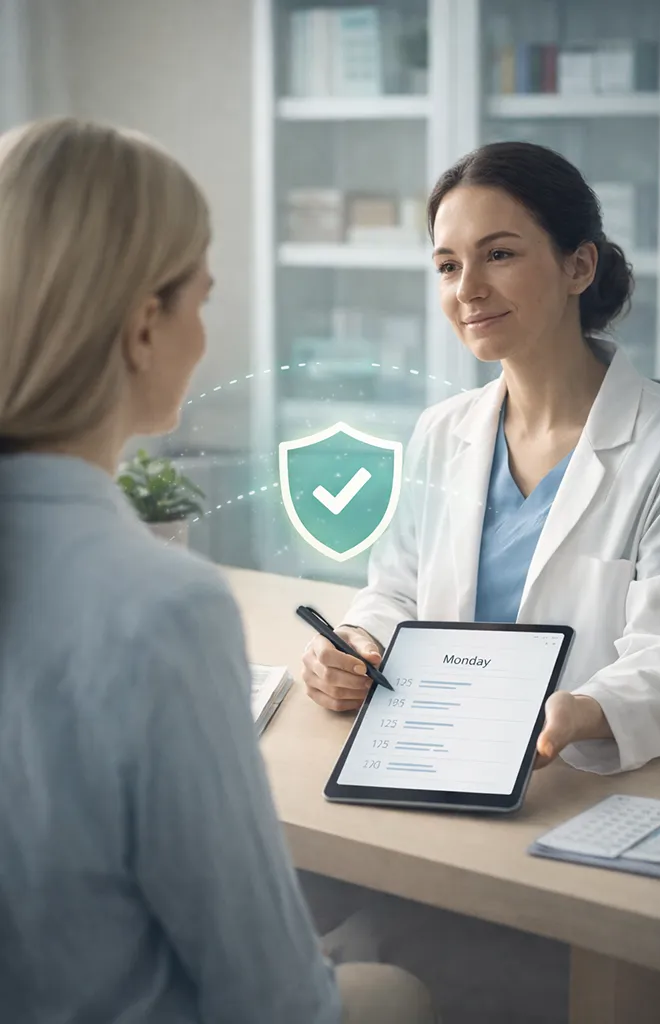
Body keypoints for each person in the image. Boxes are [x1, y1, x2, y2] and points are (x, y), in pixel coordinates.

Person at [0, 118, 438, 1024]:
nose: (207, 334)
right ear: (142, 327)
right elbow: (273, 1002)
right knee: (393, 990)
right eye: (200, 299)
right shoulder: (162, 608)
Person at [299, 141, 660, 1016]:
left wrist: (583, 710)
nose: (465, 290)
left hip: (569, 797)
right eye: (446, 264)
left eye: (499, 254)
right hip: (432, 782)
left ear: (578, 264)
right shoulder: (442, 431)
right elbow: (391, 590)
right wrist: (357, 645)